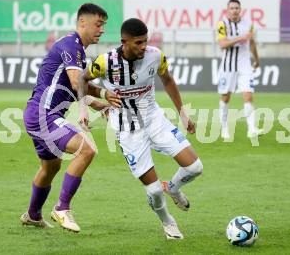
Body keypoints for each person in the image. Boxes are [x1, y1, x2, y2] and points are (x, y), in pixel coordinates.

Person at [83, 18, 204, 239]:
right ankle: (168, 222)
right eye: (138, 43)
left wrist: (183, 113)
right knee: (154, 191)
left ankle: (174, 188)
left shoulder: (155, 56)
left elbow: (167, 80)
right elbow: (82, 80)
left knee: (195, 167)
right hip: (128, 131)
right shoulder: (104, 62)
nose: (143, 47)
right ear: (124, 42)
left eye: (145, 41)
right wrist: (98, 97)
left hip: (155, 120)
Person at [20, 3, 119, 233]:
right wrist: (88, 108)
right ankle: (62, 207)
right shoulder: (70, 45)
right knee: (87, 150)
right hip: (44, 115)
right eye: (98, 24)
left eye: (103, 25)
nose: (102, 29)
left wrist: (103, 99)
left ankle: (33, 215)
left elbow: (81, 85)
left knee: (50, 168)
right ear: (82, 23)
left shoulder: (78, 51)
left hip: (39, 114)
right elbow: (77, 84)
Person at [216, 0, 262, 140]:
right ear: (228, 10)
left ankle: (252, 129)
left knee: (248, 95)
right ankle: (224, 128)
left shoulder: (249, 24)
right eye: (232, 8)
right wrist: (240, 38)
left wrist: (256, 59)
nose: (234, 10)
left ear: (240, 9)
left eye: (237, 8)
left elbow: (252, 42)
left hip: (245, 65)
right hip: (228, 66)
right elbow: (222, 44)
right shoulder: (222, 24)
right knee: (225, 97)